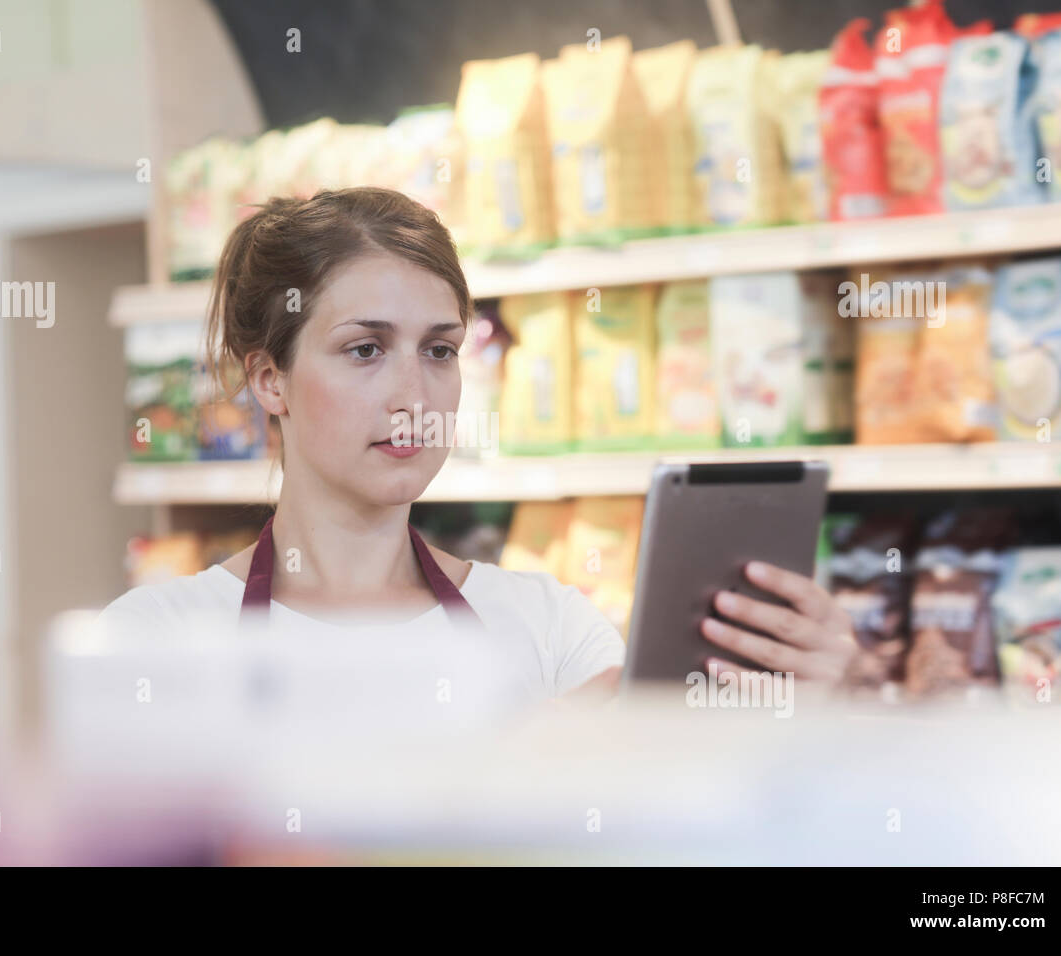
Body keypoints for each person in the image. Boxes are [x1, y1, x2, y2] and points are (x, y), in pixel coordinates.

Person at [99, 187, 858, 702]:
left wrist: (812, 707)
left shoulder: (554, 630)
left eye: (439, 350)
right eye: (365, 349)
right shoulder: (156, 643)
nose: (415, 393)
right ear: (269, 379)